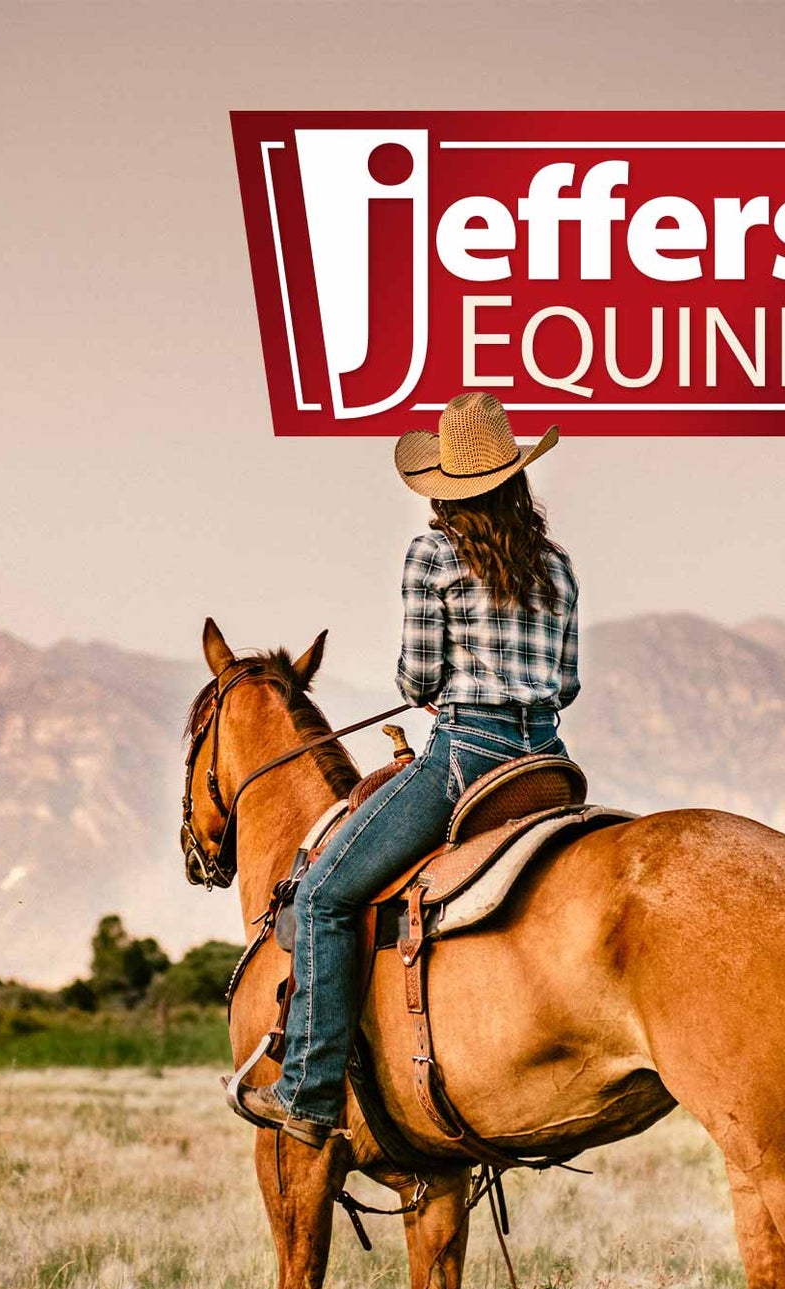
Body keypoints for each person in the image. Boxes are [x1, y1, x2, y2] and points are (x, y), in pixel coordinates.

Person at [238, 392, 580, 1146]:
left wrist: (446, 687)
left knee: (326, 893)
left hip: (468, 756)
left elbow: (418, 680)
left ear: (447, 488)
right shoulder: (555, 566)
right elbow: (565, 683)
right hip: (548, 761)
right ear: (518, 478)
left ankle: (308, 1091)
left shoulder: (432, 556)